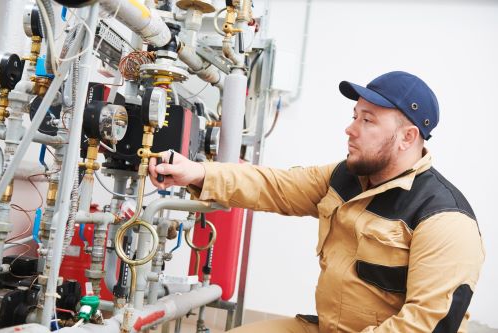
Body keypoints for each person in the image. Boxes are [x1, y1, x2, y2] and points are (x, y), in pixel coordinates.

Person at [149, 71, 485, 332]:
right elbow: (276, 185)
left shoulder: (443, 218)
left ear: (408, 137)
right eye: (355, 115)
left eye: (367, 120)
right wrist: (197, 173)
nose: (350, 129)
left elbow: (425, 325)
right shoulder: (346, 178)